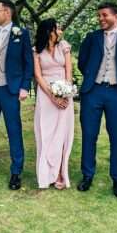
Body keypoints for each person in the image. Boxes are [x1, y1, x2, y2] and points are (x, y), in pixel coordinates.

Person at [77, 2, 117, 198]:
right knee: (89, 135)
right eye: (99, 16)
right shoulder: (92, 37)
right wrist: (91, 79)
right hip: (93, 91)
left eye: (105, 15)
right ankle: (87, 175)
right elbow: (82, 62)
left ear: (116, 16)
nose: (101, 19)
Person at [0, 0, 33, 190]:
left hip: (11, 89)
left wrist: (24, 87)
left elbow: (28, 62)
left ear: (7, 13)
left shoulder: (22, 34)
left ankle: (16, 171)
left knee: (14, 130)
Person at [33, 19, 75, 190]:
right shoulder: (36, 50)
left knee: (62, 135)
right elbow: (38, 76)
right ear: (49, 30)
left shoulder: (64, 46)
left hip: (64, 93)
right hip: (45, 95)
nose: (60, 30)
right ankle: (45, 172)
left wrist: (65, 93)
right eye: (57, 27)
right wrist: (52, 96)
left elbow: (69, 71)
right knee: (47, 133)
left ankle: (59, 173)